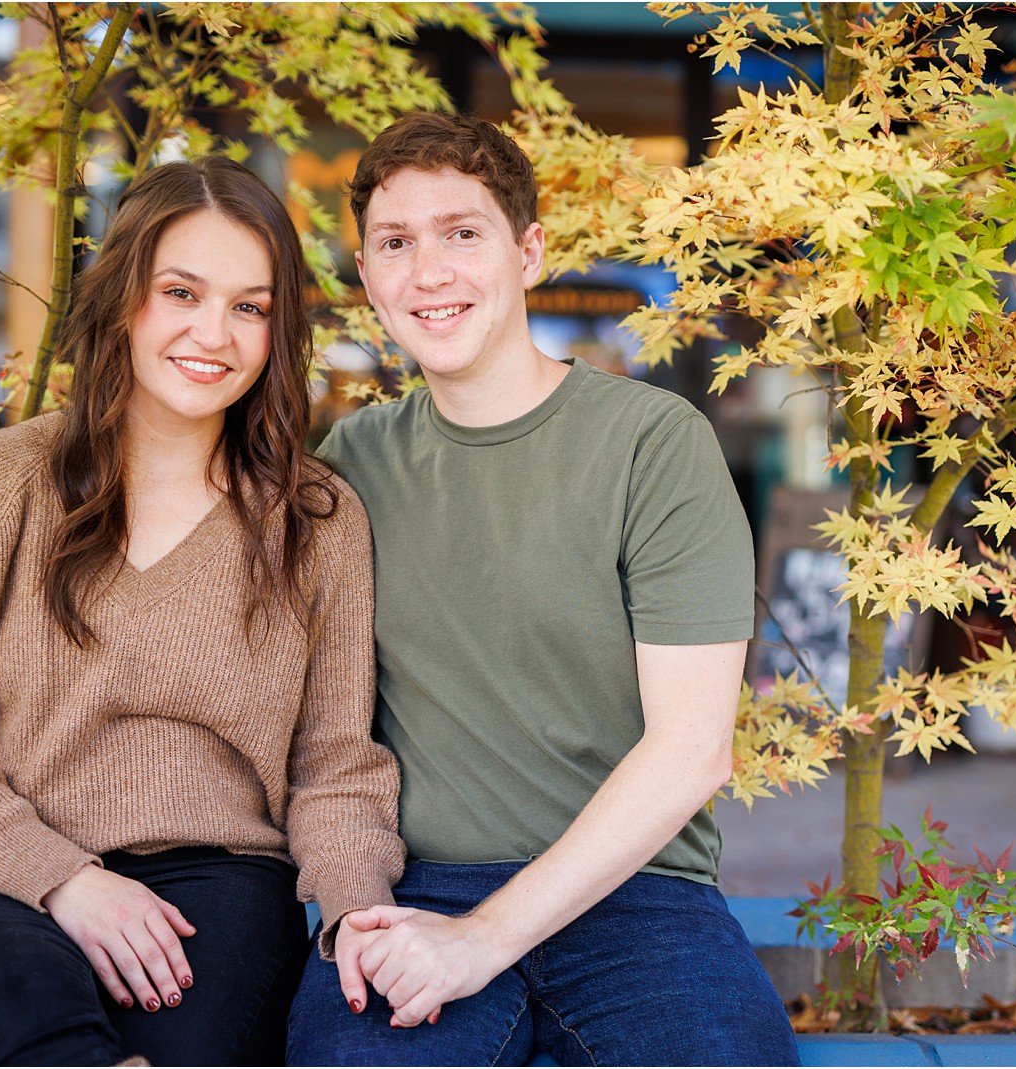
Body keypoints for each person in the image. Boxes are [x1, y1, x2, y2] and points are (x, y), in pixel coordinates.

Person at [0, 157, 405, 1067]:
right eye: (181, 291)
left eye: (250, 306)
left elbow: (337, 762)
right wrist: (63, 878)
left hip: (217, 888)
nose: (214, 333)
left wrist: (354, 907)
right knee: (22, 1012)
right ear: (120, 298)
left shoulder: (316, 522)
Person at [286, 113, 799, 1067]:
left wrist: (485, 939)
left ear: (529, 253)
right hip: (419, 887)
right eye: (396, 243)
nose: (428, 272)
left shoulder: (653, 443)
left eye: (462, 233)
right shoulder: (349, 462)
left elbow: (692, 750)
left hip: (636, 895)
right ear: (367, 278)